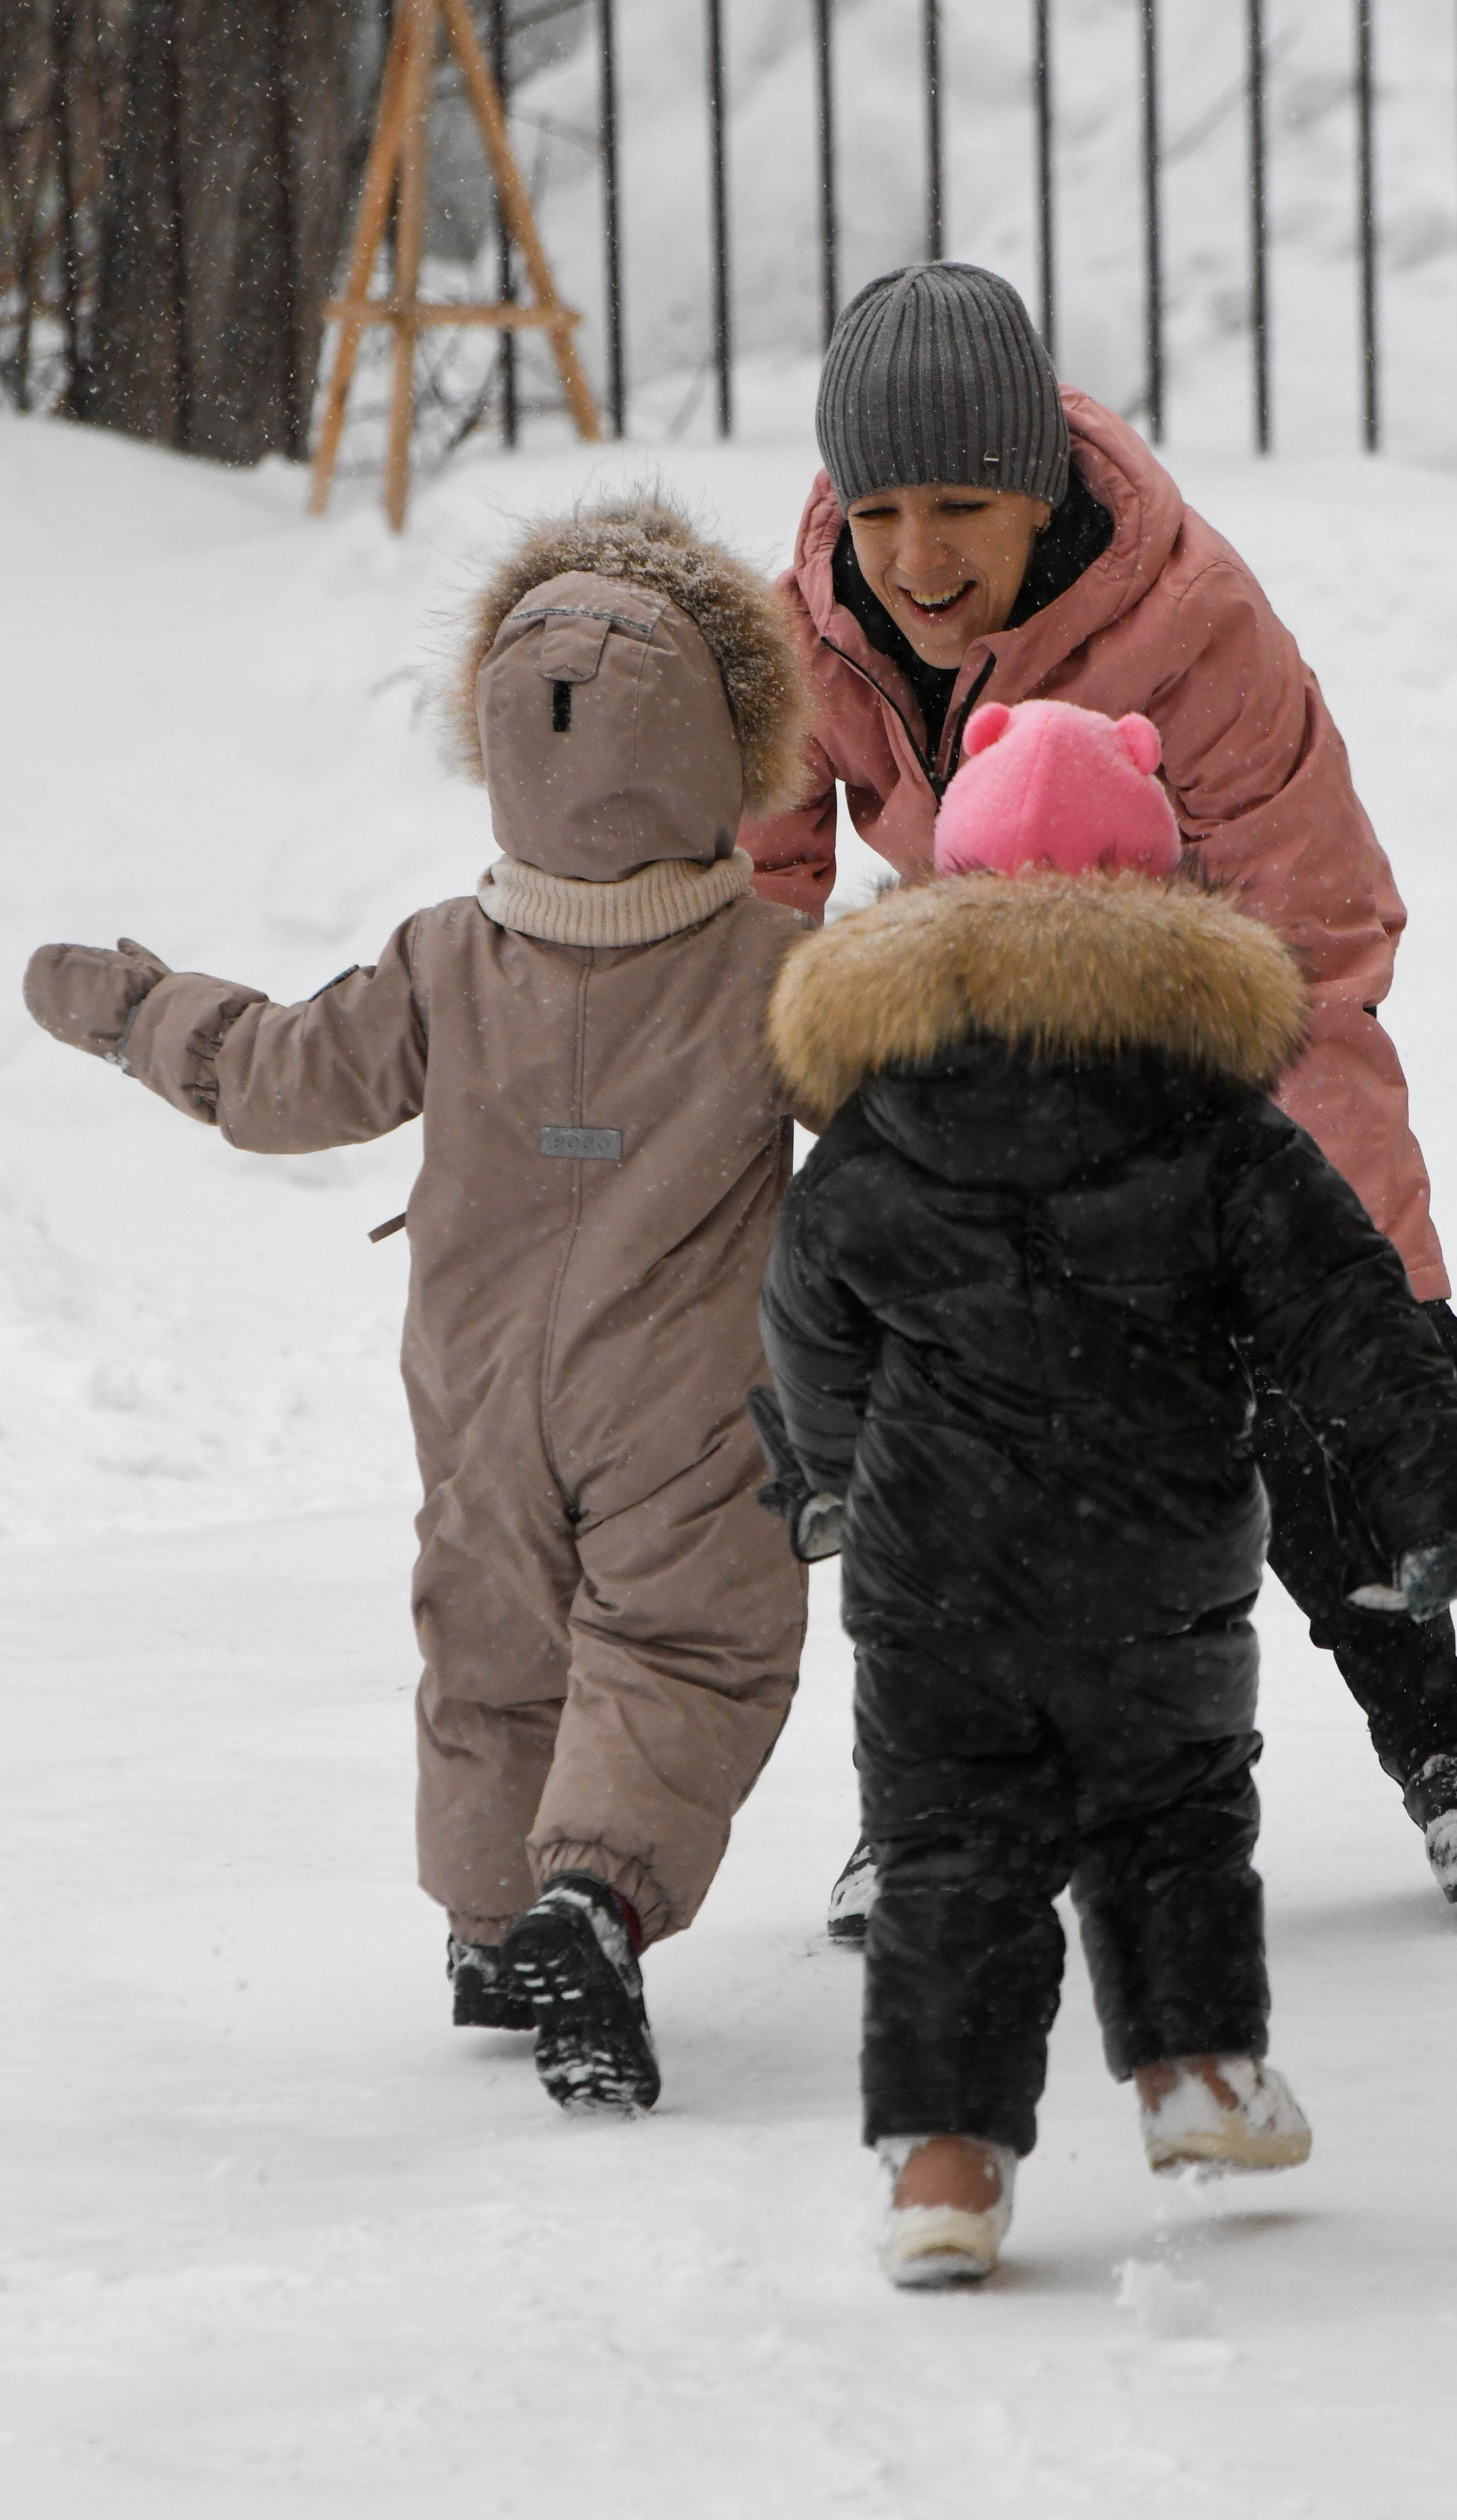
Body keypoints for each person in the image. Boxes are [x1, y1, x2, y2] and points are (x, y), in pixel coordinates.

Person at [742, 260, 1457, 1925]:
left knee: (1289, 1398)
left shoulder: (1191, 632)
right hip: (965, 1055)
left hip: (1190, 1046)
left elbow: (1317, 948)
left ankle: (1442, 1740)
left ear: (1034, 489)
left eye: (961, 504)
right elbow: (748, 890)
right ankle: (919, 1803)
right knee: (940, 1445)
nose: (915, 558)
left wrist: (1351, 1271)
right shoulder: (813, 630)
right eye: (880, 508)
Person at [24, 495, 813, 2116]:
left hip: (471, 1387)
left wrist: (138, 1016)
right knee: (686, 1645)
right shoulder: (775, 973)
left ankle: (483, 1923)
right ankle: (589, 1901)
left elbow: (274, 1077)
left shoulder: (443, 957)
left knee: (491, 1636)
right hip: (686, 1394)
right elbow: (920, 1100)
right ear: (730, 751)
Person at [754, 695, 1457, 2288]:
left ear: (944, 899)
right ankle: (1197, 2077)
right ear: (1160, 899)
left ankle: (946, 2172)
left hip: (932, 1568)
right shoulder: (1214, 1124)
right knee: (1168, 1816)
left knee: (947, 1849)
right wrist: (1430, 1479)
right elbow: (1344, 1310)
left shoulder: (883, 1122)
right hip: (1149, 1558)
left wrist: (831, 1473)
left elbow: (807, 1315)